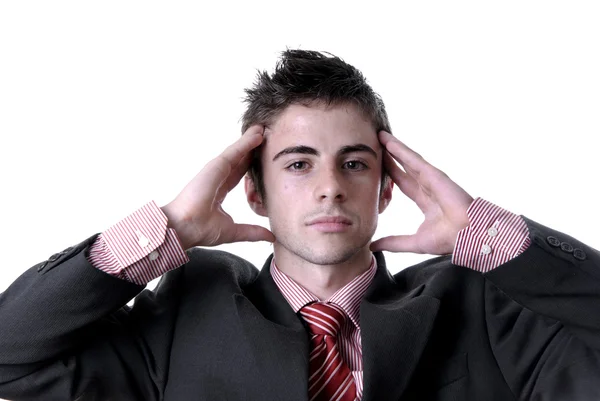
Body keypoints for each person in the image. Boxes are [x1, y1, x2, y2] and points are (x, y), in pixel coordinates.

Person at [0, 49, 598, 401]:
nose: (330, 185)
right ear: (254, 191)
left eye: (355, 163)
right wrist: (170, 232)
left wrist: (495, 239)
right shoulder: (186, 311)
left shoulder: (478, 306)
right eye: (298, 162)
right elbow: (10, 354)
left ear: (387, 189)